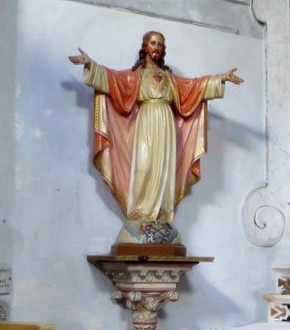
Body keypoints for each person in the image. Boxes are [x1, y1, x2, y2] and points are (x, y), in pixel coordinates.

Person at [68, 31, 242, 241]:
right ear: (145, 47)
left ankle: (161, 212)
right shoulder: (136, 75)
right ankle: (140, 211)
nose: (156, 47)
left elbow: (194, 86)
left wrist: (220, 78)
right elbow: (113, 79)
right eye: (152, 43)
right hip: (146, 119)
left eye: (160, 44)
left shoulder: (169, 78)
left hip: (166, 122)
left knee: (164, 166)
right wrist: (91, 65)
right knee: (143, 165)